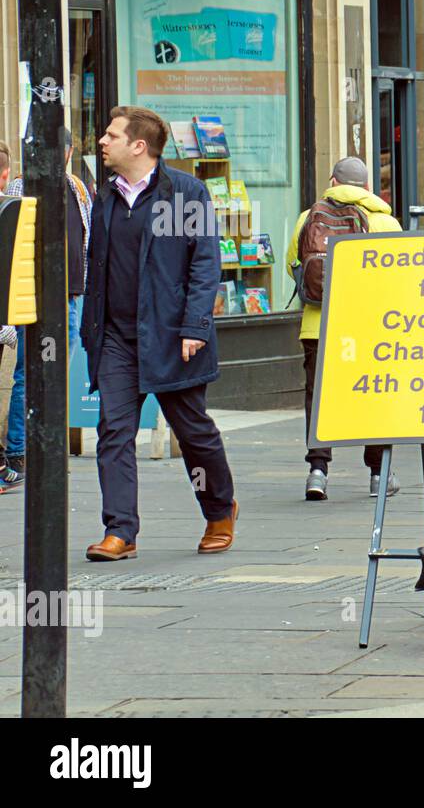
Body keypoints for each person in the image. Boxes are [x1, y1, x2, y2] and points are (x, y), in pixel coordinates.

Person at [81, 105, 237, 560]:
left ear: (138, 146)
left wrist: (194, 326)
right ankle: (120, 531)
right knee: (113, 431)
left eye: (111, 135)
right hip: (115, 337)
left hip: (172, 337)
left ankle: (219, 510)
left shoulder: (186, 193)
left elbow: (206, 263)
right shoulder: (105, 194)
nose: (103, 142)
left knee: (193, 433)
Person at [289, 157, 403, 501]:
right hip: (368, 329)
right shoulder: (386, 222)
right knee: (374, 396)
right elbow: (398, 278)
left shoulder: (308, 217)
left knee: (318, 399)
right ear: (367, 187)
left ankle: (318, 471)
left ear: (333, 181)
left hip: (318, 326)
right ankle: (378, 473)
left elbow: (294, 265)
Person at [1, 127, 94, 493]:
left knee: (56, 377)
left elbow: (87, 240)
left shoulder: (78, 188)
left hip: (71, 298)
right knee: (30, 375)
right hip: (33, 300)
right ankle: (20, 453)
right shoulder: (20, 187)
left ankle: (45, 451)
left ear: (68, 153)